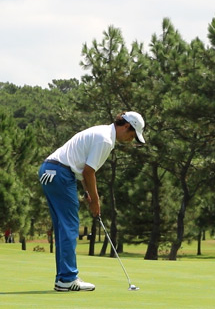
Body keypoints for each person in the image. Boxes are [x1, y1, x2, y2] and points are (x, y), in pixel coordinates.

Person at [39, 111, 145, 292]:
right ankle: (67, 279)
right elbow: (89, 171)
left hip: (50, 170)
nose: (131, 139)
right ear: (126, 126)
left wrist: (87, 192)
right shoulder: (105, 140)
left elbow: (82, 169)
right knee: (70, 226)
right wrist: (95, 201)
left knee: (63, 226)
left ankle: (63, 279)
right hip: (61, 174)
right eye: (132, 135)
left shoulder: (102, 132)